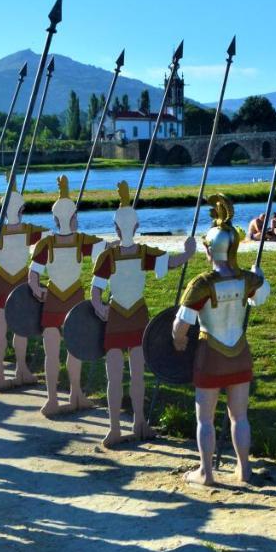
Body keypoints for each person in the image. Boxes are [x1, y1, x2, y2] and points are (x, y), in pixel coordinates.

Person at [173, 194, 269, 485]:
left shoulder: (202, 284)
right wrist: (260, 276)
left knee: (205, 418)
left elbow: (181, 323)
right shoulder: (248, 280)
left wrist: (177, 342)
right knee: (240, 417)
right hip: (239, 352)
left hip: (210, 355)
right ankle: (244, 469)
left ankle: (206, 473)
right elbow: (260, 299)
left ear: (210, 249)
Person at [89, 181, 193, 445]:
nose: (124, 229)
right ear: (117, 228)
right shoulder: (108, 257)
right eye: (120, 226)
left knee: (137, 374)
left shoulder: (144, 253)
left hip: (137, 317)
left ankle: (139, 422)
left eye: (128, 226)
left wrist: (187, 254)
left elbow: (168, 262)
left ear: (135, 227)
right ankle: (114, 427)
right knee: (114, 376)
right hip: (115, 317)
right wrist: (99, 305)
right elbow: (96, 288)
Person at [27, 176, 103, 416]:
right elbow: (33, 273)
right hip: (54, 300)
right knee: (53, 353)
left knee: (74, 351)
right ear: (70, 218)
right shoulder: (47, 245)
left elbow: (105, 249)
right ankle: (52, 399)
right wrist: (36, 288)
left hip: (74, 300)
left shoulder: (81, 242)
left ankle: (76, 393)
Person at [0, 182, 43, 391]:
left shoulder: (30, 231)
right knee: (0, 331)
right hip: (2, 282)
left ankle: (21, 368)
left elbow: (47, 246)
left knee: (20, 329)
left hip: (21, 282)